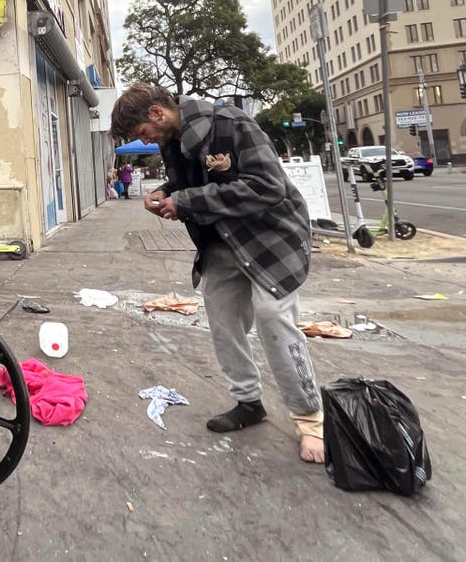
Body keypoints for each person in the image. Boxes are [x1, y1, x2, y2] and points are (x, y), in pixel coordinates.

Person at [111, 82, 324, 463]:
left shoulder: (230, 123)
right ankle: (248, 403)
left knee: (274, 318)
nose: (145, 142)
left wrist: (186, 200)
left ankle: (311, 423)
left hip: (270, 240)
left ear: (157, 113)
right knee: (222, 319)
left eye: (143, 133)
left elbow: (267, 186)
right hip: (222, 242)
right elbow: (189, 184)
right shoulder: (172, 140)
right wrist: (165, 192)